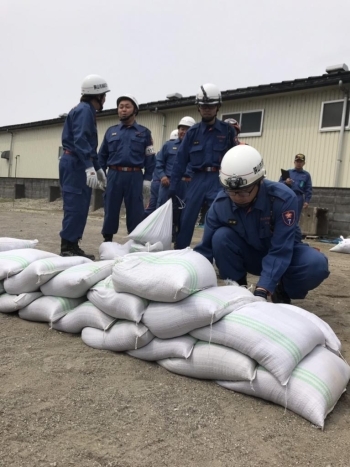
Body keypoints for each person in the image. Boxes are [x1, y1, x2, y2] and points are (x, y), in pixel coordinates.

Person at [194, 145, 329, 303]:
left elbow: (281, 249)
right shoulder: (220, 204)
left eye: (244, 191)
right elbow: (205, 249)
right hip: (250, 255)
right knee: (220, 237)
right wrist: (193, 278)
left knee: (316, 265)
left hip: (284, 255)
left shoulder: (283, 199)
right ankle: (238, 290)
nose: (237, 197)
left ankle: (282, 289)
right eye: (231, 191)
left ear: (259, 181)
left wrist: (263, 289)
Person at [168, 83, 239, 249]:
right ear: (198, 108)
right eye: (203, 106)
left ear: (218, 107)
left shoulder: (227, 131)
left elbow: (235, 158)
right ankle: (179, 255)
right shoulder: (192, 132)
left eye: (211, 106)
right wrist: (173, 186)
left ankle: (218, 255)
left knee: (221, 218)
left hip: (219, 180)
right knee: (187, 218)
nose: (207, 109)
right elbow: (180, 160)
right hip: (197, 180)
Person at [59, 74, 110, 260]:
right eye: (104, 95)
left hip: (79, 161)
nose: (105, 99)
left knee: (81, 205)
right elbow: (80, 140)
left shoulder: (88, 111)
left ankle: (73, 244)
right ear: (97, 95)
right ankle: (67, 247)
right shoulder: (84, 111)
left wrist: (97, 168)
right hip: (75, 163)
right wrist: (89, 166)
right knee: (74, 204)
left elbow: (89, 145)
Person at [98, 95, 156, 241]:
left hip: (134, 176)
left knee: (136, 210)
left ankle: (135, 241)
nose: (123, 110)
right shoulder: (111, 132)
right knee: (110, 208)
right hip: (114, 175)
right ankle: (108, 240)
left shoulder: (144, 133)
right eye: (121, 107)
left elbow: (150, 158)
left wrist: (147, 179)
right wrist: (100, 174)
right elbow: (102, 156)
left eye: (127, 106)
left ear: (135, 110)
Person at [156, 116, 196, 207]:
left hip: (186, 185)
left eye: (188, 130)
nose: (184, 132)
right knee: (163, 210)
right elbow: (159, 162)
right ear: (178, 130)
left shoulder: (196, 148)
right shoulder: (168, 145)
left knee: (183, 212)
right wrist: (162, 176)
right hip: (168, 183)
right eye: (182, 129)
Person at [144, 129, 179, 217]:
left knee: (153, 208)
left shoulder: (161, 152)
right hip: (164, 183)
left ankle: (144, 224)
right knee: (164, 208)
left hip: (156, 182)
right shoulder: (172, 152)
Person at [279, 153, 312, 222]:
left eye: (301, 162)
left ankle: (293, 232)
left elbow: (308, 189)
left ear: (304, 163)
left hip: (298, 198)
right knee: (285, 216)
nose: (299, 163)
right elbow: (279, 184)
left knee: (295, 217)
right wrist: (286, 182)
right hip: (287, 197)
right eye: (297, 161)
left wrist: (307, 201)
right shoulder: (288, 172)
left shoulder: (306, 175)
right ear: (294, 162)